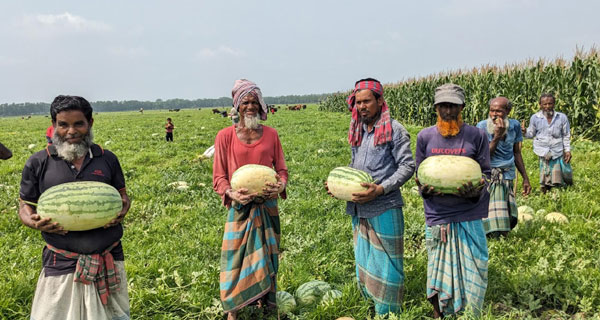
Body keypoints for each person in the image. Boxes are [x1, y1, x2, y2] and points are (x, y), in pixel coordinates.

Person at [18, 95, 131, 320]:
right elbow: (25, 206)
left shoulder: (107, 158)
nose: (71, 131)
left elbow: (123, 197)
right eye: (63, 124)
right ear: (54, 126)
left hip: (107, 255)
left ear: (90, 123)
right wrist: (33, 221)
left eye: (78, 123)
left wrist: (120, 211)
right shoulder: (38, 162)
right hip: (61, 261)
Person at [326, 78, 415, 315]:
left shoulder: (395, 130)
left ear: (380, 101)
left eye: (367, 101)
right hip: (359, 207)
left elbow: (407, 166)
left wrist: (381, 189)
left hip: (385, 205)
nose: (362, 107)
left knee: (388, 262)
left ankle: (388, 311)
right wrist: (337, 186)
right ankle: (369, 304)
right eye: (358, 102)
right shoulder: (358, 130)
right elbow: (355, 166)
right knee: (364, 258)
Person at [212, 79, 288, 320]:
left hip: (267, 207)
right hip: (240, 209)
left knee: (267, 257)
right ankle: (233, 310)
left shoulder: (272, 135)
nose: (251, 106)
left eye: (255, 101)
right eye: (246, 102)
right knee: (234, 261)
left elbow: (282, 171)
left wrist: (280, 186)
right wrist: (231, 193)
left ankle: (267, 304)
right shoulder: (224, 136)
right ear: (237, 106)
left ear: (261, 105)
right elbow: (219, 177)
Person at [415, 84, 490, 318]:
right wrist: (424, 190)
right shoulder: (424, 137)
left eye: (453, 106)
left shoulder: (477, 135)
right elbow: (420, 175)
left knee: (476, 264)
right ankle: (440, 312)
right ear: (436, 108)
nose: (448, 111)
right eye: (443, 106)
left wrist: (475, 191)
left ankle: (470, 312)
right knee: (437, 265)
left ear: (462, 107)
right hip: (438, 214)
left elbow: (486, 173)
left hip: (469, 212)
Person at [476, 97, 531, 237]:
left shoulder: (515, 126)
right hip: (489, 174)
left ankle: (503, 239)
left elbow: (517, 152)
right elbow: (484, 157)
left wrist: (525, 178)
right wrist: (497, 136)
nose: (494, 114)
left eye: (499, 111)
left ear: (508, 111)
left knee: (505, 212)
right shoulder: (481, 127)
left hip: (507, 174)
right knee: (489, 211)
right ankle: (490, 239)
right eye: (491, 110)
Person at [522, 93, 572, 193]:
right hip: (542, 150)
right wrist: (524, 132)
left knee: (558, 174)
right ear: (540, 105)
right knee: (545, 173)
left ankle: (558, 191)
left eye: (550, 104)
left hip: (557, 149)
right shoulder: (535, 118)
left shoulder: (561, 117)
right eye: (544, 104)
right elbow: (531, 133)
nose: (547, 107)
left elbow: (566, 135)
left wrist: (567, 150)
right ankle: (545, 192)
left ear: (554, 104)